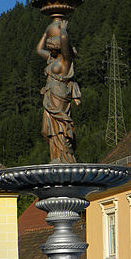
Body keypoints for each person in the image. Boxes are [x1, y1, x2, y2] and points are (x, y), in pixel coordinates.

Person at [36, 20, 81, 163]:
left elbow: (64, 42)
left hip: (60, 95)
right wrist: (47, 32)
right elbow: (38, 50)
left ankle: (65, 158)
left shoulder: (65, 61)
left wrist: (63, 30)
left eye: (52, 48)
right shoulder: (51, 59)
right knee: (46, 131)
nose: (50, 50)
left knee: (61, 129)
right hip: (49, 96)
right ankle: (55, 156)